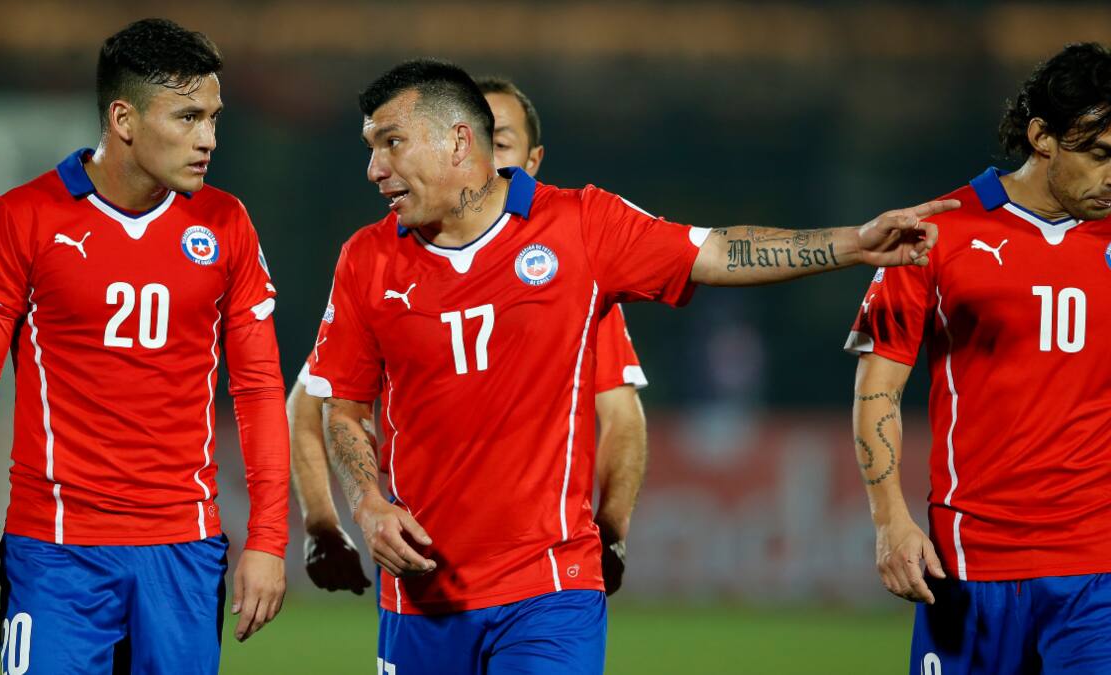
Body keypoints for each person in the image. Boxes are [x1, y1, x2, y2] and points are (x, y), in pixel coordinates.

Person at [310, 58, 951, 675]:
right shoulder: (364, 260)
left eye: (390, 143)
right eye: (370, 148)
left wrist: (851, 245)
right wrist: (365, 503)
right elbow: (342, 405)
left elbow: (719, 251)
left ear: (457, 142)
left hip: (550, 586)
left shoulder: (580, 225)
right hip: (419, 596)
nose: (373, 169)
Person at [0, 19, 288, 674]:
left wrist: (268, 536)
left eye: (213, 117)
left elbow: (261, 386)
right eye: (187, 118)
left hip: (184, 548)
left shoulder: (226, 222)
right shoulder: (25, 217)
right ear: (124, 119)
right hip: (56, 548)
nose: (208, 139)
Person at [290, 75, 649, 597]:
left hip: (541, 579)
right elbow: (316, 400)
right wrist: (323, 524)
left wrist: (611, 531)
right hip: (424, 574)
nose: (487, 159)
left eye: (502, 144)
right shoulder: (379, 266)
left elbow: (620, 412)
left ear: (532, 162)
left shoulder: (572, 273)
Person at [846, 42, 1111, 674]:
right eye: (1099, 156)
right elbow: (877, 388)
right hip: (970, 564)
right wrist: (890, 521)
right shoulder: (937, 233)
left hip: (1096, 571)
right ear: (1041, 135)